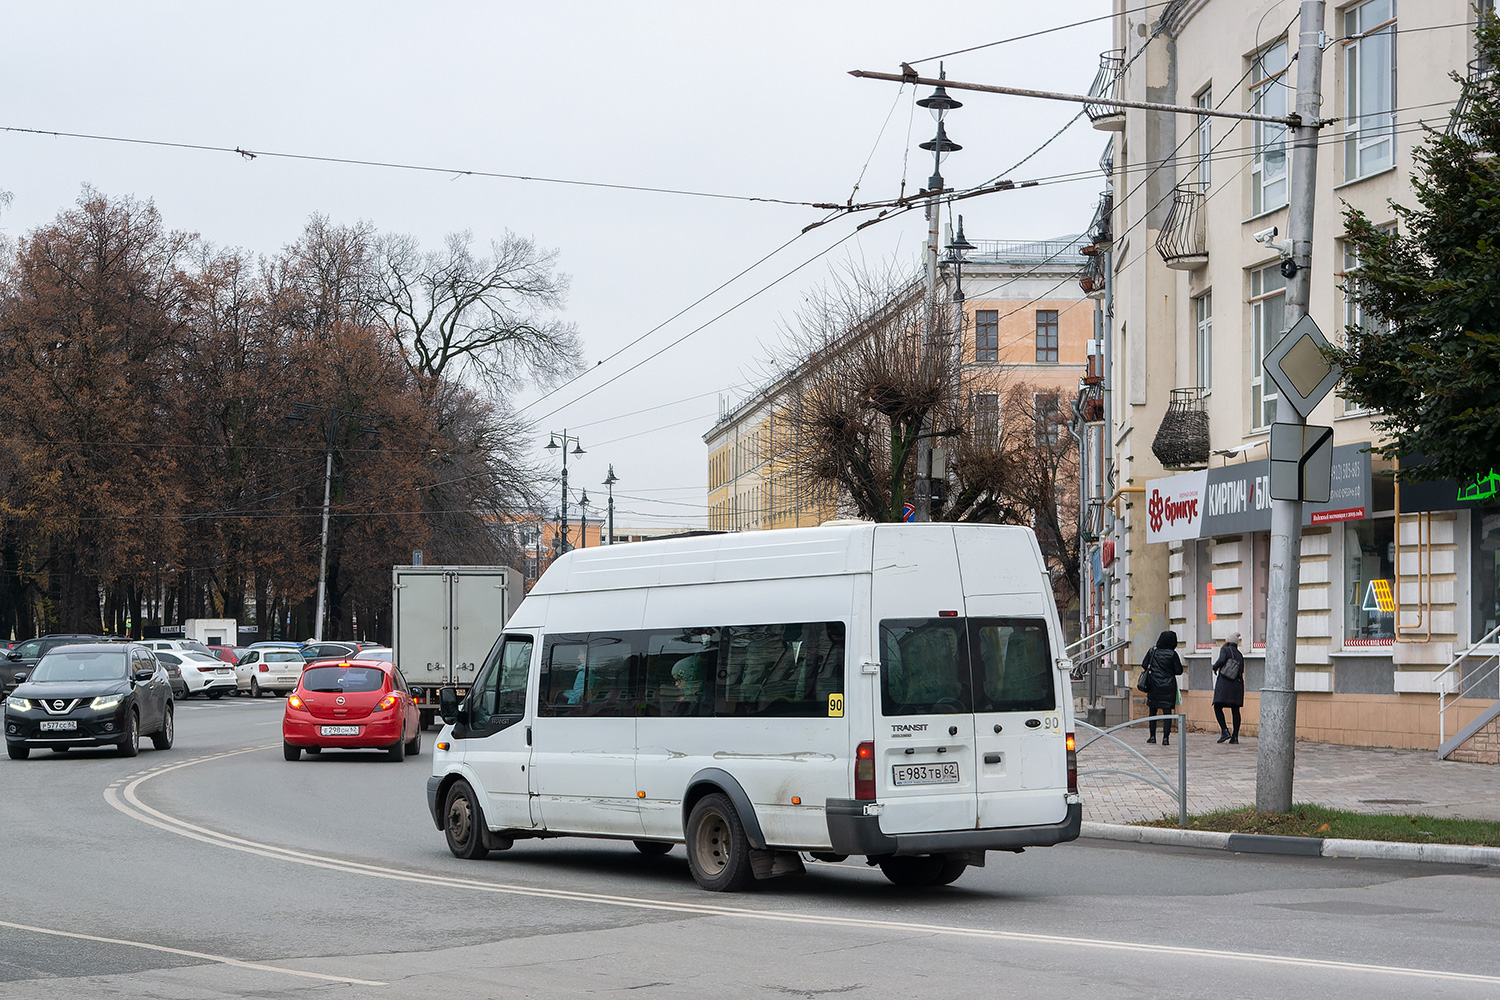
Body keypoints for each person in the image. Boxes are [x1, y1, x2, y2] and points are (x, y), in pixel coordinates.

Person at [1141, 630, 1184, 745]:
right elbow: (1179, 671)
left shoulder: (1152, 651)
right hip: (1168, 686)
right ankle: (1165, 738)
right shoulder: (1172, 654)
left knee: (1152, 712)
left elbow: (1144, 665)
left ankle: (1152, 736)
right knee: (1167, 713)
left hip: (1153, 685)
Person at [1211, 632, 1246, 744]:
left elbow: (1221, 660)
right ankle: (1235, 737)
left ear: (1228, 641)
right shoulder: (1240, 655)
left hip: (1225, 684)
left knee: (1217, 706)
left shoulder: (1225, 650)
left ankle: (1225, 730)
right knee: (1235, 709)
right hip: (1238, 685)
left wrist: (1214, 667)